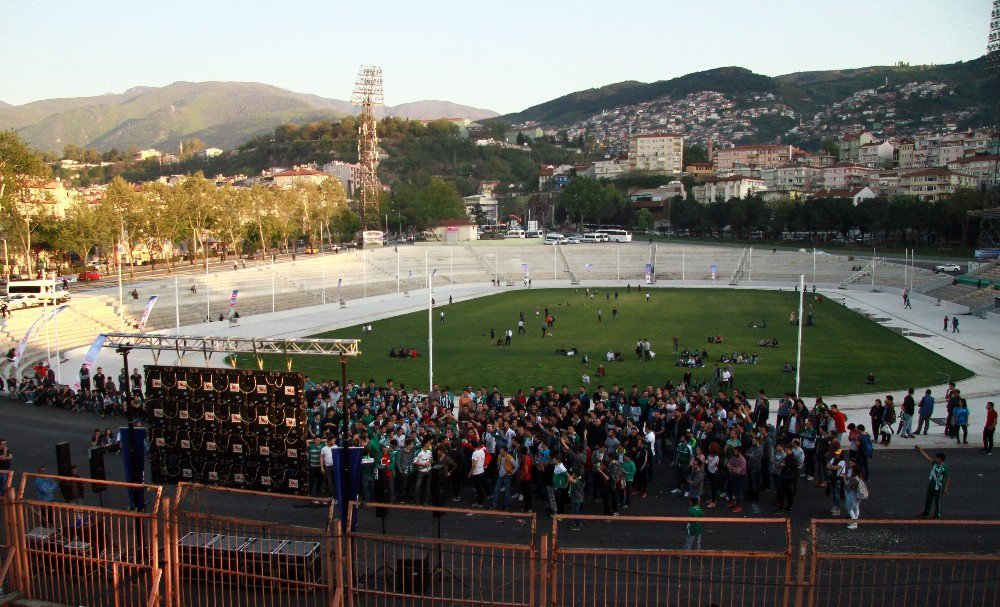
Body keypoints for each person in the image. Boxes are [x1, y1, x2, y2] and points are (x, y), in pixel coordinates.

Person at [916, 447, 950, 519]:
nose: (936, 459)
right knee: (928, 499)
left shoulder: (944, 467)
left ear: (940, 459)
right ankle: (926, 513)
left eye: (937, 458)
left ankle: (937, 515)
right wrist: (920, 450)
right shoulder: (935, 463)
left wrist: (946, 488)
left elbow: (948, 478)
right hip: (931, 485)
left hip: (939, 486)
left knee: (937, 501)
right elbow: (927, 457)